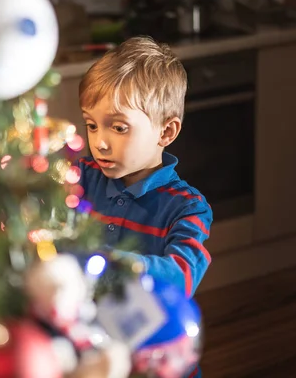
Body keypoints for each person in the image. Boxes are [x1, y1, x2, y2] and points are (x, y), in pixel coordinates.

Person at [76, 36, 210, 378]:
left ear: (166, 132)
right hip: (93, 354)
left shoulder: (187, 207)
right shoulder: (81, 178)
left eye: (118, 127)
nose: (99, 141)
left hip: (153, 359)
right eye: (91, 124)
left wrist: (111, 264)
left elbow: (181, 276)